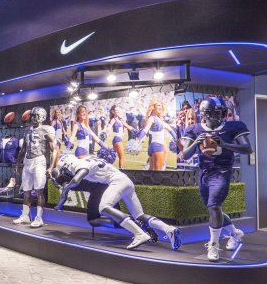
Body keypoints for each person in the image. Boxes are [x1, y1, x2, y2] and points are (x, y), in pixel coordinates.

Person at [52, 154, 181, 250]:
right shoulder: (86, 159)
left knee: (103, 207)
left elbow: (78, 177)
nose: (66, 173)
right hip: (125, 180)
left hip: (117, 181)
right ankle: (169, 229)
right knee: (139, 215)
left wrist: (68, 186)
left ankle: (139, 234)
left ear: (67, 164)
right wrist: (59, 205)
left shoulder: (77, 165)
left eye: (65, 170)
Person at [180, 97, 253, 261]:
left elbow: (248, 148)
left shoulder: (233, 127)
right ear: (205, 114)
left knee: (214, 207)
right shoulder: (194, 129)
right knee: (213, 210)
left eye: (220, 112)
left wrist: (225, 144)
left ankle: (213, 245)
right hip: (204, 173)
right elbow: (186, 155)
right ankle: (235, 233)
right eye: (215, 113)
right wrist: (195, 143)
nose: (219, 116)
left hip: (222, 171)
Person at [13, 107, 57, 228]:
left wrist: (51, 167)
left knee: (39, 191)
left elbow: (55, 150)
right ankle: (25, 216)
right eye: (32, 116)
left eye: (35, 116)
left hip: (39, 161)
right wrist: (17, 163)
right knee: (26, 191)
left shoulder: (47, 129)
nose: (32, 118)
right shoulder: (27, 130)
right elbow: (23, 149)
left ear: (42, 116)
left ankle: (39, 218)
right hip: (28, 161)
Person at [136, 99, 174, 171]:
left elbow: (170, 129)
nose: (160, 107)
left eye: (161, 105)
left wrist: (176, 139)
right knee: (158, 171)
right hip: (158, 146)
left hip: (153, 146)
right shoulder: (152, 118)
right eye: (158, 105)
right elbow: (145, 129)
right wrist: (139, 139)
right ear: (153, 107)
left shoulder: (159, 119)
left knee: (151, 169)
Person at [104, 104, 127, 169]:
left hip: (118, 139)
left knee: (111, 157)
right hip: (117, 139)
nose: (118, 111)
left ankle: (105, 168)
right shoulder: (113, 119)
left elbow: (126, 125)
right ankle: (122, 171)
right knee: (121, 157)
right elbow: (109, 126)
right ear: (113, 111)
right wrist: (106, 132)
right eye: (116, 110)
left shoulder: (121, 119)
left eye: (119, 110)